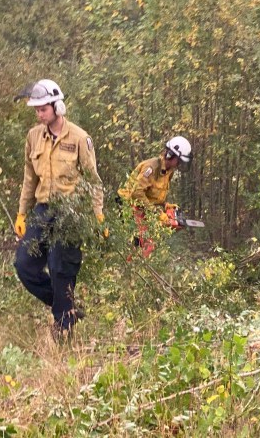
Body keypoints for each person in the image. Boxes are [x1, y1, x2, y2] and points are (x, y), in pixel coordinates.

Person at [13, 79, 105, 338]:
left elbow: (93, 181)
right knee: (24, 265)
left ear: (57, 106)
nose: (39, 113)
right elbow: (29, 179)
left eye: (43, 108)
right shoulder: (33, 137)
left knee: (59, 268)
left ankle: (63, 327)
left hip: (70, 213)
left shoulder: (79, 138)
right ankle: (66, 307)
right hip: (43, 211)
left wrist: (98, 215)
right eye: (36, 109)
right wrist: (22, 212)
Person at [119, 136, 192, 258]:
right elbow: (136, 193)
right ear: (170, 155)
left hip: (143, 206)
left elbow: (154, 195)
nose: (179, 164)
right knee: (142, 242)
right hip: (128, 204)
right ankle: (130, 270)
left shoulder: (169, 171)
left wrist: (165, 205)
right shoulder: (151, 168)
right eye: (178, 160)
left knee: (150, 242)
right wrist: (155, 213)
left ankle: (139, 267)